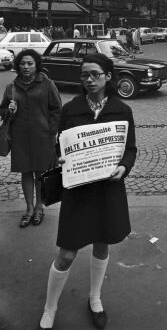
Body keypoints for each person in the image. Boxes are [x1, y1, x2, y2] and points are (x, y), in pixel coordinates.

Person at [39, 53, 137, 330]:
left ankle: (95, 298)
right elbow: (59, 146)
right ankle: (50, 308)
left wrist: (124, 168)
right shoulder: (71, 109)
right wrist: (57, 157)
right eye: (85, 75)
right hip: (78, 191)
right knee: (67, 253)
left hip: (108, 189)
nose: (90, 79)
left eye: (95, 74)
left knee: (102, 244)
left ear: (108, 76)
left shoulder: (121, 110)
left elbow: (129, 149)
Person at [0, 49, 62, 228]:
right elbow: (2, 110)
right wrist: (8, 110)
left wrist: (51, 131)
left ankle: (39, 208)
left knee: (40, 173)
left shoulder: (47, 84)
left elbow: (56, 109)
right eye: (22, 63)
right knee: (26, 172)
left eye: (30, 63)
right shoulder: (11, 87)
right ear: (18, 65)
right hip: (20, 136)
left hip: (42, 136)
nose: (26, 67)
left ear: (36, 65)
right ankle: (28, 209)